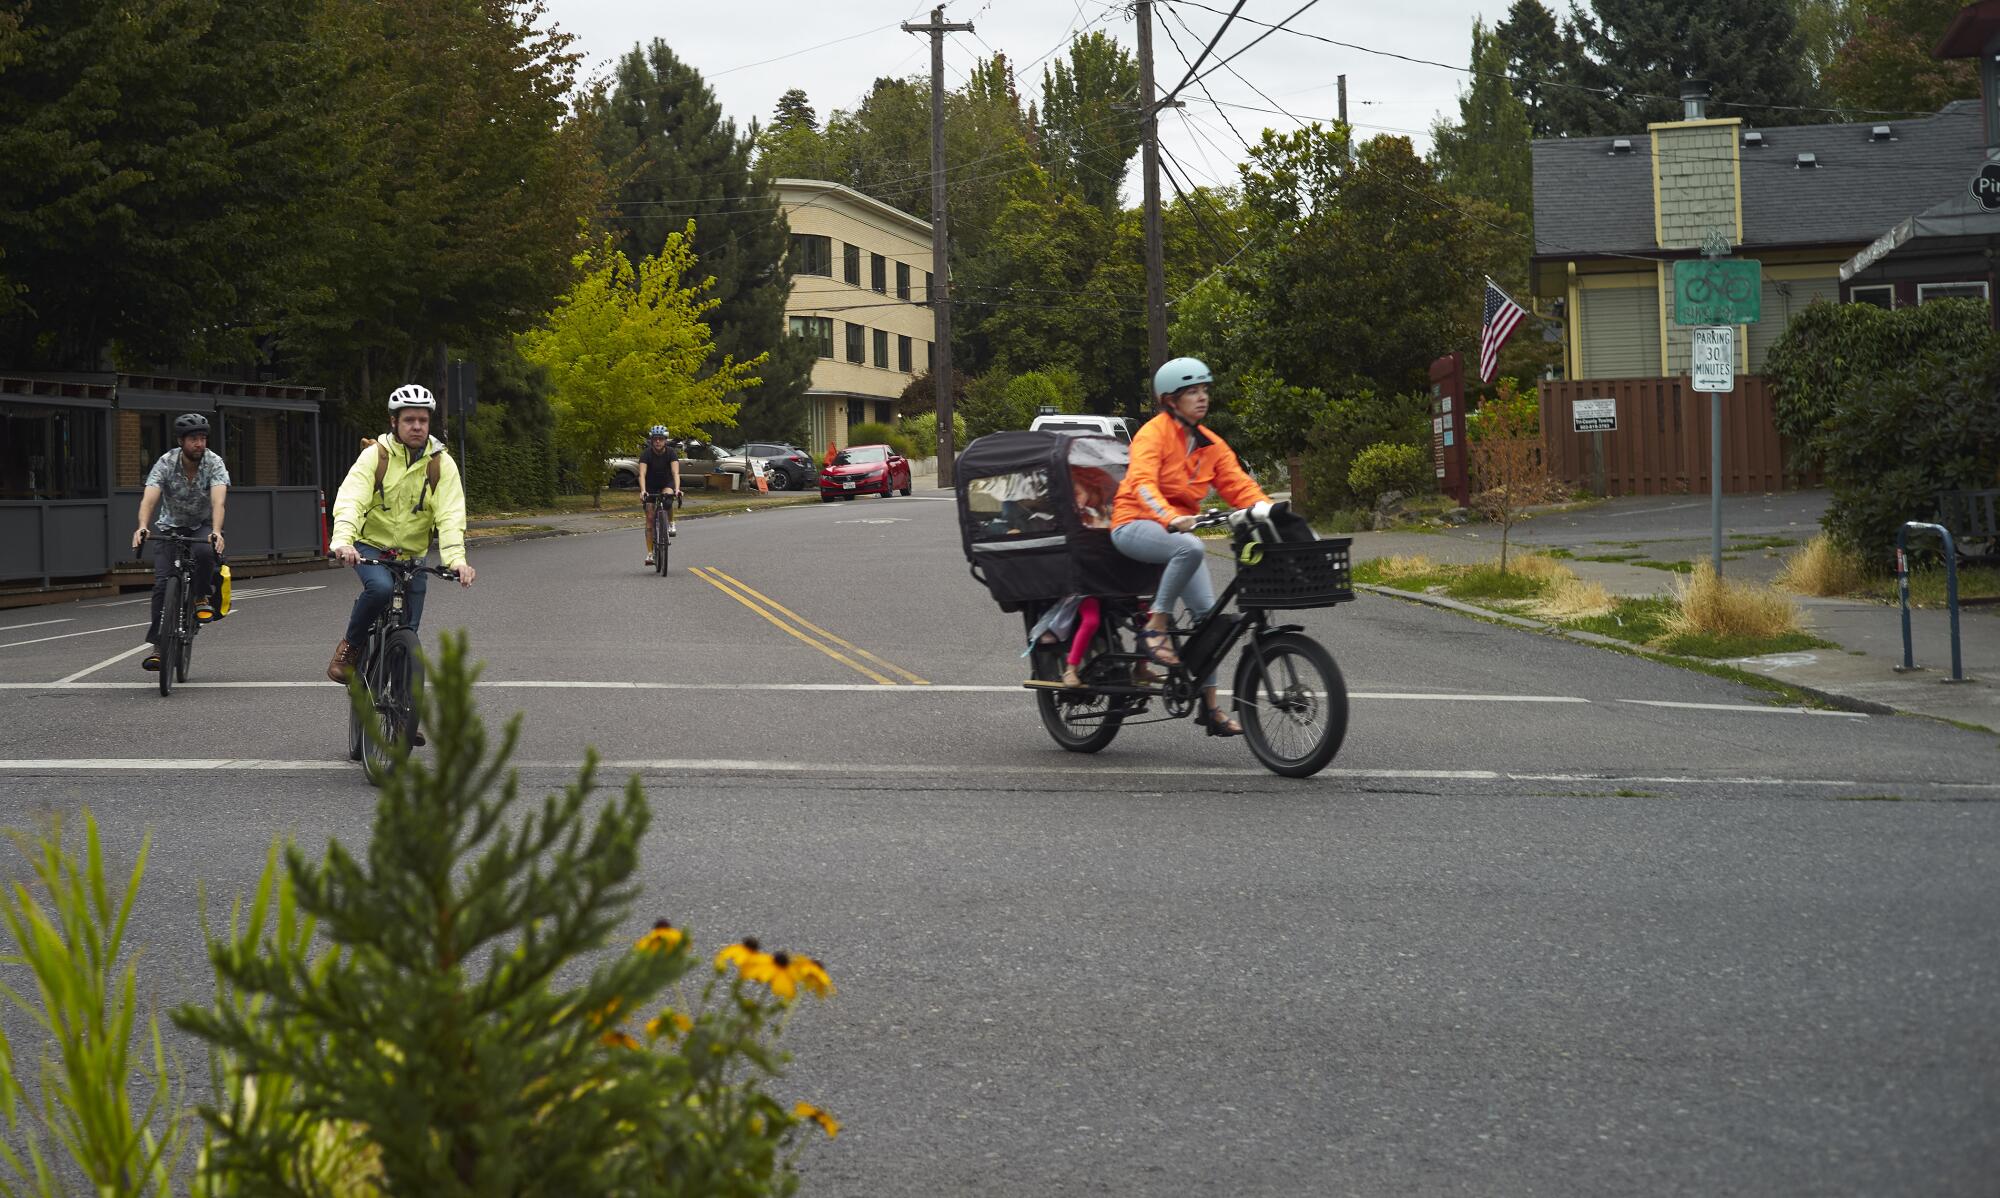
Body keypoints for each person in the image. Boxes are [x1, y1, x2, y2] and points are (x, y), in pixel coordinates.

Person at [1110, 357, 1270, 737]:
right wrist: (1168, 517)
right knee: (1191, 547)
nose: (1202, 398)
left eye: (1204, 390)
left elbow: (1238, 486)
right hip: (1135, 523)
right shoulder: (1153, 434)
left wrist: (1267, 509)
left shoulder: (1209, 443)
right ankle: (1157, 625)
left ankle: (1211, 710)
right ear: (1170, 400)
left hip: (1177, 532)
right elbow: (1143, 483)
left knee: (1209, 622)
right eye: (1191, 392)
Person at [326, 384, 476, 701]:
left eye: (423, 420)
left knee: (408, 632)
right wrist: (343, 541)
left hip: (411, 555)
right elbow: (351, 499)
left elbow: (450, 514)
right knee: (379, 589)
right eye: (409, 419)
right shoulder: (375, 457)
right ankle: (350, 647)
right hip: (370, 546)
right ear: (394, 422)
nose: (417, 426)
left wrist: (456, 561)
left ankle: (404, 711)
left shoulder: (441, 464)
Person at [132, 413, 229, 673]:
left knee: (205, 553)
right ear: (181, 441)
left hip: (202, 525)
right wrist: (142, 526)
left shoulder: (214, 462)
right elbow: (149, 498)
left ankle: (199, 596)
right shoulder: (165, 462)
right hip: (170, 526)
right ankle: (158, 647)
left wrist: (217, 532)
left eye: (203, 438)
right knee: (162, 586)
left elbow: (219, 500)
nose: (200, 444)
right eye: (194, 439)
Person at [637, 424, 681, 567]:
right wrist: (643, 490)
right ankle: (650, 553)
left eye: (660, 439)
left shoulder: (671, 453)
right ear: (651, 440)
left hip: (666, 483)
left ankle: (671, 523)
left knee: (668, 499)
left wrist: (677, 489)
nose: (657, 442)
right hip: (650, 484)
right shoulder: (646, 454)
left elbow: (675, 473)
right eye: (655, 439)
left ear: (665, 440)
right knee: (650, 517)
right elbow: (642, 474)